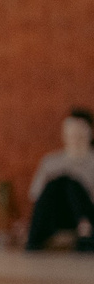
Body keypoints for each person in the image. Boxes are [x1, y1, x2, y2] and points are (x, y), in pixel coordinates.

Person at [26, 107, 94, 251]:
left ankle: (86, 230)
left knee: (70, 183)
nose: (75, 137)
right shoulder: (50, 161)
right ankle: (35, 238)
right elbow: (36, 194)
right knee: (59, 181)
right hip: (58, 215)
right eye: (71, 133)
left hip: (87, 212)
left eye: (79, 133)